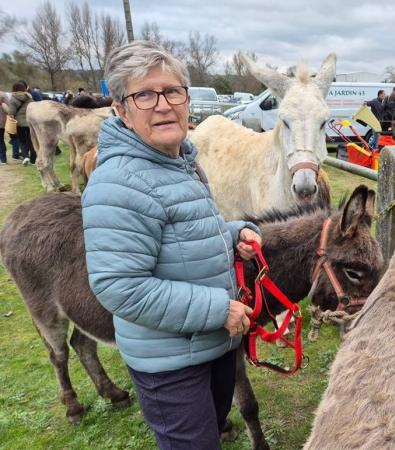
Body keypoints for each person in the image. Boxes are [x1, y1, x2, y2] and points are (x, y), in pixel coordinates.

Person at [82, 40, 262, 450]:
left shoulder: (181, 163)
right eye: (143, 94)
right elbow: (120, 286)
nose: (162, 104)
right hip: (171, 363)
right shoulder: (119, 184)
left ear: (186, 99)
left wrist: (235, 234)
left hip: (210, 344)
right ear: (121, 111)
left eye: (172, 90)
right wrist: (218, 308)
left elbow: (186, 232)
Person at [5, 81, 36, 165]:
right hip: (30, 121)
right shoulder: (29, 97)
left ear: (14, 89)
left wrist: (10, 117)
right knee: (31, 140)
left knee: (22, 140)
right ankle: (33, 160)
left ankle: (26, 157)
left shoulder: (13, 97)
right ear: (23, 89)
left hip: (19, 123)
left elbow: (11, 112)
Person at [0, 91, 7, 165]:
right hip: (2, 121)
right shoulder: (3, 94)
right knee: (1, 140)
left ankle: (2, 158)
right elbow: (8, 108)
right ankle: (3, 159)